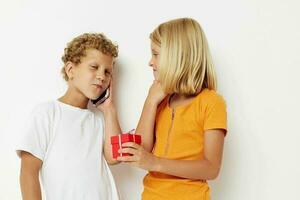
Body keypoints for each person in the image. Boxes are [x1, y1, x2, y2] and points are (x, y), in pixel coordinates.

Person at [117, 18, 227, 200]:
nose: (150, 62)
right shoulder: (160, 101)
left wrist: (156, 162)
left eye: (156, 54)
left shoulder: (211, 103)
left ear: (177, 57)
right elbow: (142, 149)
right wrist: (150, 101)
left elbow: (211, 168)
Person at [16, 33, 121, 200]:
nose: (102, 76)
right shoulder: (47, 113)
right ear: (71, 70)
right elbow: (28, 172)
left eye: (107, 71)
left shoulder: (99, 120)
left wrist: (110, 110)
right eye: (94, 67)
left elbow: (115, 157)